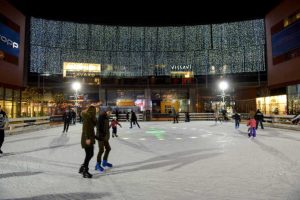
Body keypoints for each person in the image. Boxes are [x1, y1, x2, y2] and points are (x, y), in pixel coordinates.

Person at [79, 105, 97, 178]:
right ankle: (85, 171)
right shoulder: (88, 117)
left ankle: (83, 167)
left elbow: (92, 127)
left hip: (90, 138)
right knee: (89, 154)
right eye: (95, 110)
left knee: (89, 154)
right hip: (87, 139)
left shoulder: (91, 117)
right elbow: (85, 129)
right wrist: (87, 138)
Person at [95, 106, 113, 173]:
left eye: (111, 112)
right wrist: (101, 135)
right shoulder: (101, 116)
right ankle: (97, 165)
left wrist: (109, 126)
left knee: (108, 148)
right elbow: (98, 127)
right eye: (109, 112)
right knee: (101, 150)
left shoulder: (107, 117)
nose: (110, 113)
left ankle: (104, 162)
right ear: (106, 111)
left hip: (105, 137)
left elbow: (106, 127)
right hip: (100, 136)